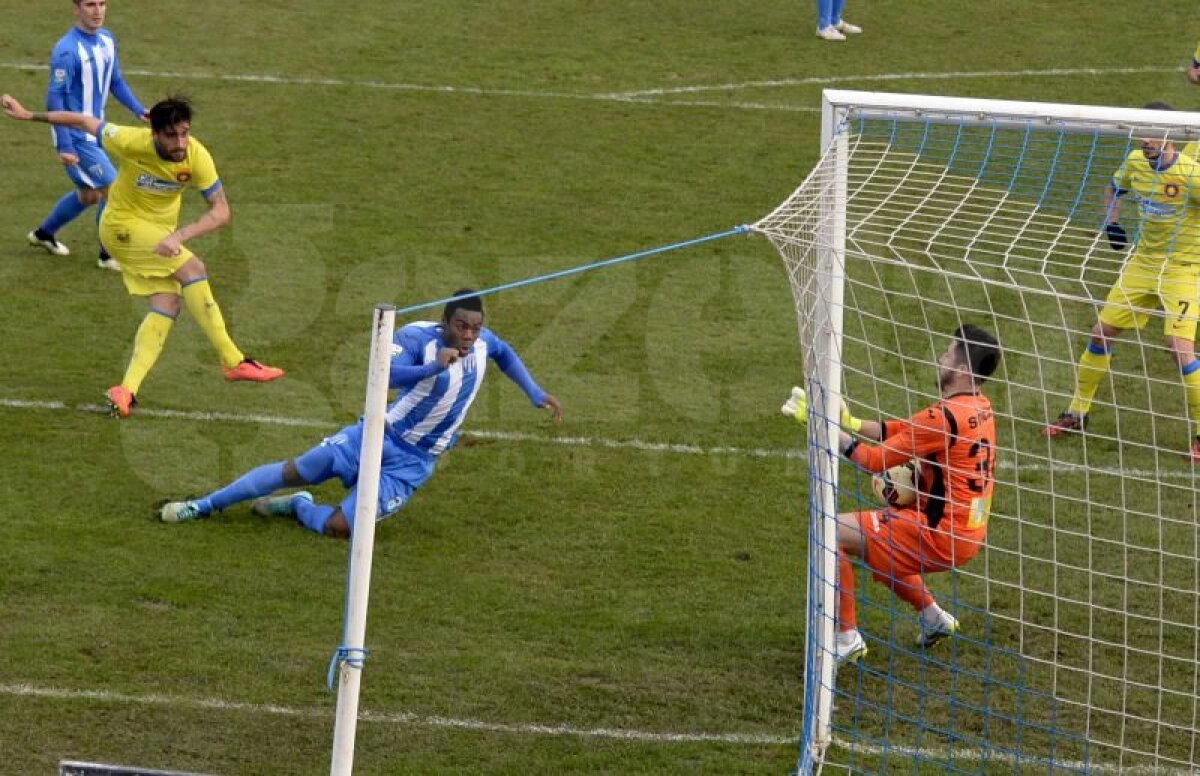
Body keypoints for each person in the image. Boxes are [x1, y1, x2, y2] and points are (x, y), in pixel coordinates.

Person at [159, 290, 563, 539]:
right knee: (296, 469)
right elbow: (381, 374)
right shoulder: (414, 337)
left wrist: (534, 392)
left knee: (341, 529)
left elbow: (505, 352)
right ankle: (204, 505)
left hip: (414, 463)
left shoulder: (482, 343)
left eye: (476, 328)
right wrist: (432, 368)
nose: (470, 335)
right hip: (377, 435)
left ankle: (298, 507)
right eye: (462, 327)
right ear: (446, 321)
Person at [2, 92, 284, 418]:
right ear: (155, 134)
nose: (180, 142)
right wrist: (28, 115)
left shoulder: (196, 156)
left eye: (184, 133)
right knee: (193, 267)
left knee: (168, 302)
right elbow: (83, 121)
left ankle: (126, 390)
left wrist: (180, 235)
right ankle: (233, 360)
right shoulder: (130, 141)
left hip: (159, 235)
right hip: (121, 227)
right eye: (171, 135)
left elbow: (221, 211)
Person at [782, 325, 1001, 664]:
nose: (941, 357)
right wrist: (850, 422)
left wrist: (826, 425)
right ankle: (933, 618)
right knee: (880, 545)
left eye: (948, 352)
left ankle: (846, 636)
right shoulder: (977, 407)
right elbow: (900, 430)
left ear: (961, 368)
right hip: (966, 530)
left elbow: (872, 460)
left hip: (941, 532)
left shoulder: (944, 418)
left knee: (829, 531)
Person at [1043, 103, 1200, 460]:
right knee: (1101, 332)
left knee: (1179, 347)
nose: (1145, 140)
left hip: (1183, 269)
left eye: (1152, 132)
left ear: (1169, 134)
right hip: (1142, 264)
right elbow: (1114, 188)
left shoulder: (1191, 174)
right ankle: (1077, 412)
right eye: (1140, 131)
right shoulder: (1134, 163)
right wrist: (1112, 222)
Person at [28, 0, 149, 271]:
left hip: (97, 131)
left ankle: (43, 234)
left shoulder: (107, 39)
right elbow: (54, 99)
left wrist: (139, 109)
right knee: (114, 190)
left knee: (89, 195)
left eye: (102, 3)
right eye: (90, 4)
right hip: (75, 136)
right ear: (76, 9)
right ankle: (108, 255)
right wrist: (65, 145)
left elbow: (115, 80)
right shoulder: (67, 51)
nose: (98, 11)